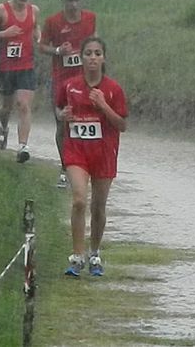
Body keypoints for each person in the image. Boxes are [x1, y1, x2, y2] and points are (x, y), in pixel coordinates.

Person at [55, 36, 128, 277]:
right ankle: (77, 256)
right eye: (88, 53)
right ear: (82, 58)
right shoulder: (70, 85)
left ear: (104, 58)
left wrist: (103, 106)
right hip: (77, 151)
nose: (93, 58)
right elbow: (59, 109)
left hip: (104, 153)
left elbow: (122, 124)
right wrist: (63, 115)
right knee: (78, 200)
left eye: (97, 53)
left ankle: (94, 253)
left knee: (98, 207)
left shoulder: (113, 89)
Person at [40, 0, 98, 188]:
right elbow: (42, 46)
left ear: (81, 0)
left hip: (86, 80)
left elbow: (95, 42)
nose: (73, 5)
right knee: (63, 124)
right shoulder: (53, 21)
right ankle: (65, 167)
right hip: (61, 81)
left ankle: (84, 165)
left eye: (76, 0)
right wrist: (57, 51)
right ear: (63, 0)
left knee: (88, 121)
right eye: (69, 0)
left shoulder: (90, 19)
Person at [0, 0, 41, 163]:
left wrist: (39, 38)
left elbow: (35, 28)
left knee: (23, 105)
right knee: (6, 107)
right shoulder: (1, 10)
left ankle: (23, 146)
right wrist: (4, 33)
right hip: (6, 67)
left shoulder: (34, 11)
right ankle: (4, 127)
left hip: (26, 66)